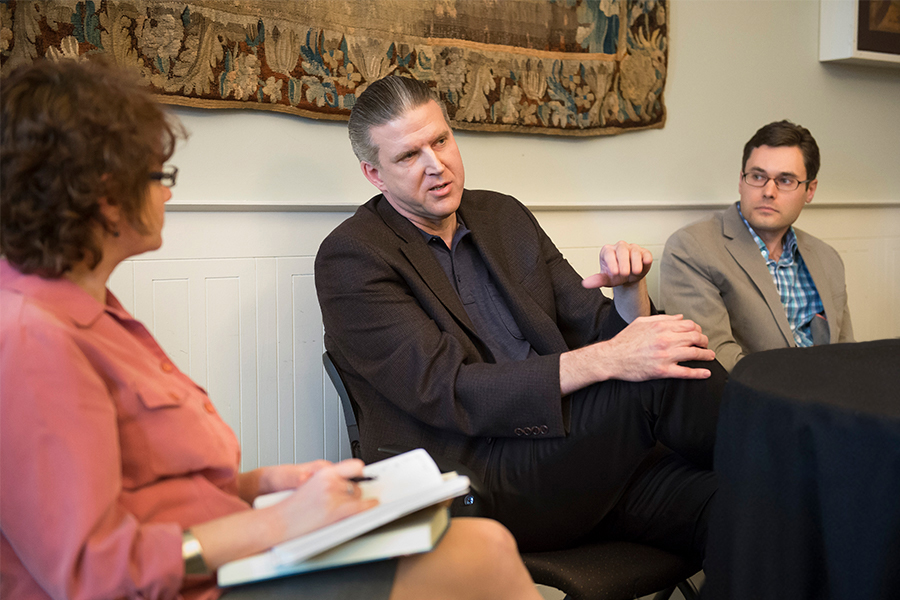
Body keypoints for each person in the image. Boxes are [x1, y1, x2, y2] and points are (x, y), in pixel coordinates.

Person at [0, 58, 544, 600]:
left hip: (231, 554)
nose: (167, 194)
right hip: (193, 585)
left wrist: (263, 486)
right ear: (102, 200)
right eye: (157, 176)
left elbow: (144, 492)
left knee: (481, 546)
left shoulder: (98, 312)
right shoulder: (31, 340)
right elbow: (90, 573)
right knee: (481, 556)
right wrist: (276, 524)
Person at [315, 76, 727, 561]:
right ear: (375, 174)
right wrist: (613, 359)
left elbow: (601, 328)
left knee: (746, 508)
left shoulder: (501, 215)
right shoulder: (353, 257)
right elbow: (452, 391)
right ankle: (810, 458)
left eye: (441, 140)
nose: (436, 165)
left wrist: (630, 292)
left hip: (576, 453)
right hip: (475, 477)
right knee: (661, 377)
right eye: (409, 156)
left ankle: (799, 475)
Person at [660, 120, 853, 372]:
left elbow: (847, 352)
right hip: (752, 403)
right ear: (741, 181)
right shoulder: (691, 248)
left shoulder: (828, 258)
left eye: (786, 180)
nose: (768, 191)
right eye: (758, 176)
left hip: (830, 400)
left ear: (810, 190)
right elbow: (716, 359)